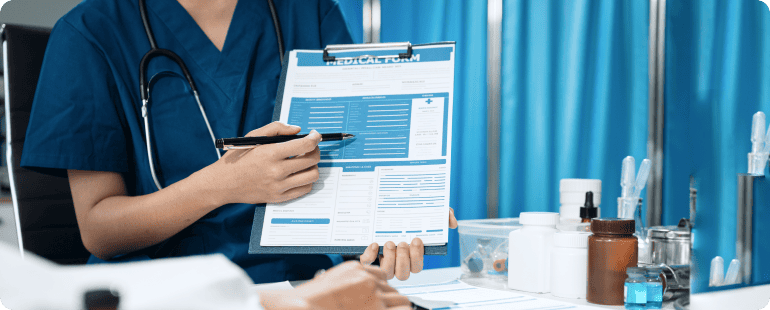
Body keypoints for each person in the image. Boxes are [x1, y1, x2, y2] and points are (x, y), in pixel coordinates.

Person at [21, 0, 458, 286]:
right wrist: (224, 184)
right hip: (162, 290)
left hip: (298, 285)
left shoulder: (307, 10)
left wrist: (390, 218)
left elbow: (348, 164)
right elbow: (99, 229)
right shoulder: (90, 31)